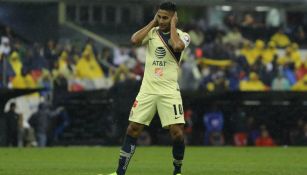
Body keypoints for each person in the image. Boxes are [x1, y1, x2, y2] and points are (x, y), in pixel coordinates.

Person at [103, 2, 190, 175]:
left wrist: (172, 25)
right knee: (132, 129)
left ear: (173, 17)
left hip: (169, 91)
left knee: (177, 133)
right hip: (147, 90)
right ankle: (119, 173)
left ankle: (177, 170)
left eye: (166, 17)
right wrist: (153, 22)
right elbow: (134, 40)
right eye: (160, 16)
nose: (162, 20)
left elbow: (177, 46)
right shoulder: (152, 33)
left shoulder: (183, 36)